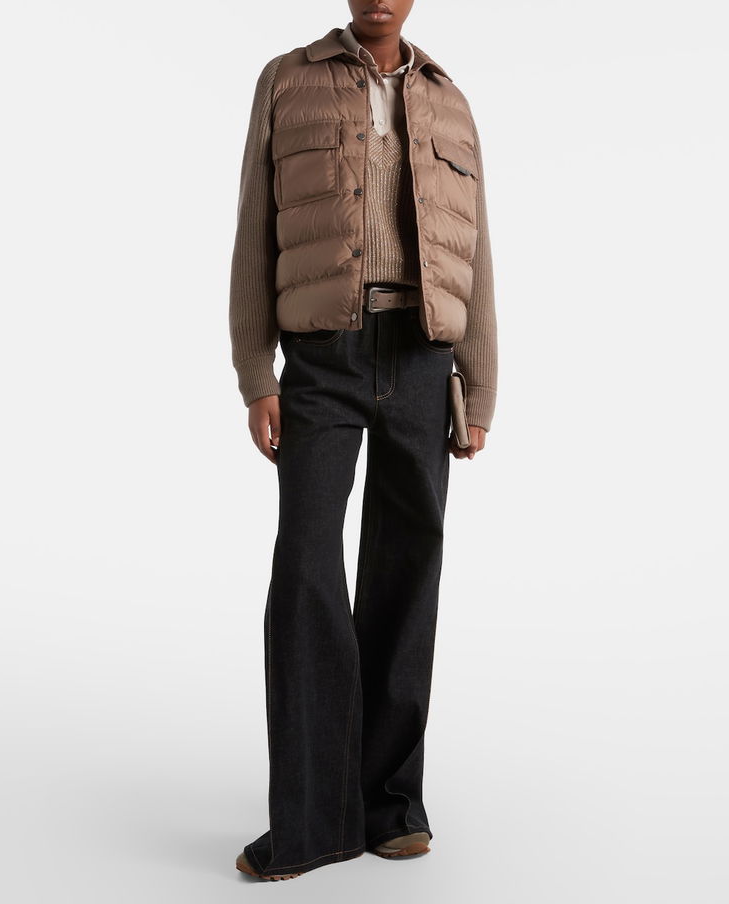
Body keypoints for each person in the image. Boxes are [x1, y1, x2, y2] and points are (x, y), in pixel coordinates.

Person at [229, 0, 498, 881]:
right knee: (306, 566)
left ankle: (390, 805)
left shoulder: (450, 99)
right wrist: (257, 374)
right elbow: (254, 230)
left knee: (407, 570)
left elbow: (476, 253)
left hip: (422, 358)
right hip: (323, 356)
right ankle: (312, 822)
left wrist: (479, 384)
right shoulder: (288, 80)